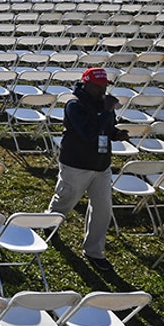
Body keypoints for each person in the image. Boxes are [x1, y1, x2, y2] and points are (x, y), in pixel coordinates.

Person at [48, 67, 128, 274]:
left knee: (103, 210)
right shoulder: (74, 105)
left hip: (101, 165)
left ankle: (94, 251)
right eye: (98, 86)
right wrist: (107, 111)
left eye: (104, 86)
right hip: (76, 164)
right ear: (86, 84)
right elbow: (89, 133)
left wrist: (116, 134)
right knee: (66, 198)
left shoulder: (104, 103)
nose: (102, 90)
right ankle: (49, 223)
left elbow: (106, 129)